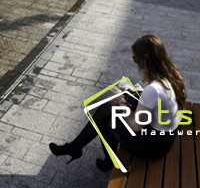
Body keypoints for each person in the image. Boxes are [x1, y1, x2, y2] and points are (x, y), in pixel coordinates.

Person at [49, 34, 186, 171]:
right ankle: (77, 148)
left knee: (106, 122)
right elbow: (158, 100)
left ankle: (92, 155)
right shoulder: (172, 74)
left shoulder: (153, 89)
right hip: (166, 136)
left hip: (154, 146)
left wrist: (120, 103)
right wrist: (133, 93)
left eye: (135, 59)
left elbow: (135, 126)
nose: (136, 63)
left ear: (145, 59)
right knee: (106, 111)